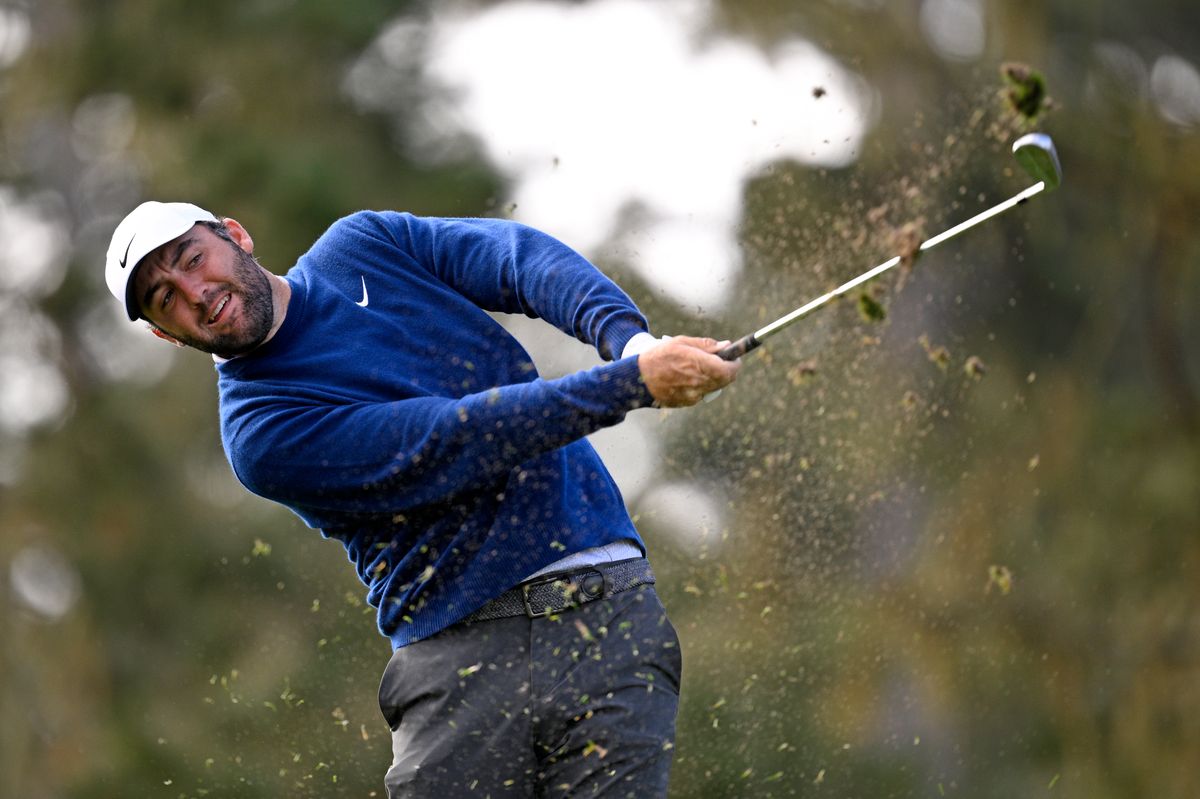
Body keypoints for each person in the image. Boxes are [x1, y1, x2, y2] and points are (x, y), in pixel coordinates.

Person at [104, 201, 740, 798]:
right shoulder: (259, 433)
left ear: (236, 236)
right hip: (462, 668)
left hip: (611, 615)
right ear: (166, 335)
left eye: (193, 259)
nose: (195, 292)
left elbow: (517, 260)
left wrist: (629, 342)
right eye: (166, 298)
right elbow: (452, 440)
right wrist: (629, 384)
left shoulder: (362, 245)